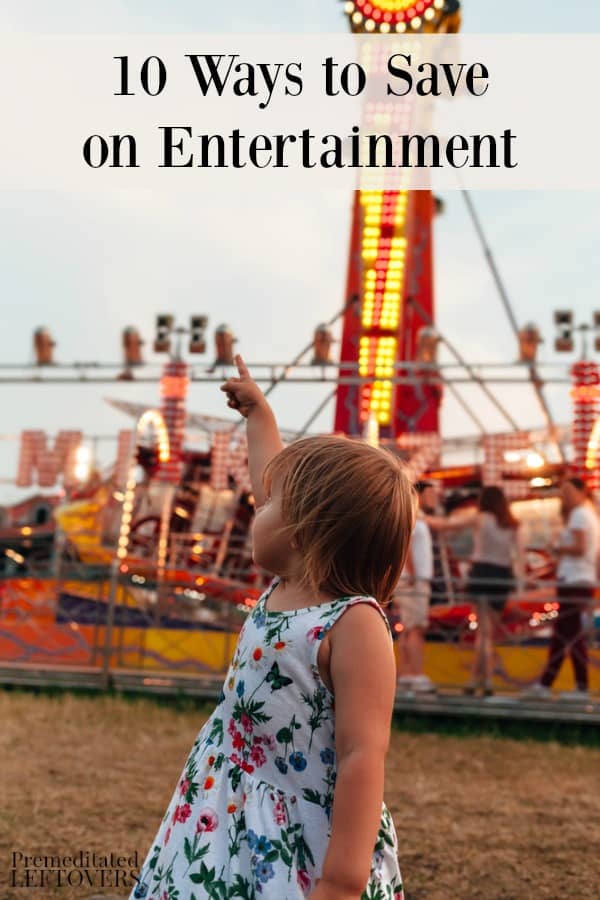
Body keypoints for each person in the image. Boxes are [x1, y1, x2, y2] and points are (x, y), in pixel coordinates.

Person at [129, 356, 415, 900]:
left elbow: (362, 756)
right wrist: (259, 415)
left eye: (272, 503)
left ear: (307, 530)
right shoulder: (289, 581)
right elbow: (272, 479)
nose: (258, 506)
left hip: (299, 841)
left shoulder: (354, 624)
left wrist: (341, 880)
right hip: (225, 800)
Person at [524, 477, 599, 700]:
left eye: (567, 491)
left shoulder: (580, 515)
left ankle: (575, 685)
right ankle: (551, 683)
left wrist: (557, 547)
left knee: (569, 634)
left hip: (575, 580)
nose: (564, 496)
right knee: (566, 634)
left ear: (581, 491)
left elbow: (579, 547)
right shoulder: (588, 515)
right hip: (578, 580)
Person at [464, 486, 525, 697]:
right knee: (488, 633)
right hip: (502, 576)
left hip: (481, 573)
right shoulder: (512, 524)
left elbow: (448, 526)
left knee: (483, 631)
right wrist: (521, 586)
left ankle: (478, 680)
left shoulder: (481, 519)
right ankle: (483, 680)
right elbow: (520, 556)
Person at [394, 481, 435, 693]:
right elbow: (405, 545)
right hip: (413, 580)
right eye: (430, 494)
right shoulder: (411, 517)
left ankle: (406, 672)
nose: (434, 498)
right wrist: (411, 573)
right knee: (415, 627)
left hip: (415, 578)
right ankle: (414, 673)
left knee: (409, 627)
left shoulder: (418, 517)